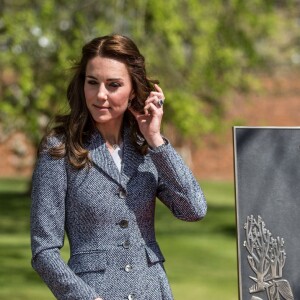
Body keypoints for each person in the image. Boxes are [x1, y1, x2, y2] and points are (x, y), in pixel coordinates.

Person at [30, 34, 207, 300]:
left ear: (133, 90)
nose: (100, 95)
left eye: (113, 85)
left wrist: (156, 140)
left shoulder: (146, 148)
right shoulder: (59, 148)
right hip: (93, 293)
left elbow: (193, 209)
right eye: (92, 83)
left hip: (152, 291)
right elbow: (44, 251)